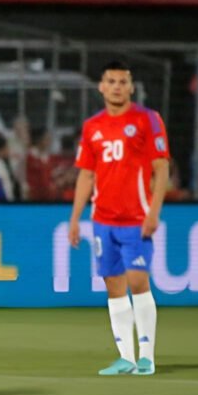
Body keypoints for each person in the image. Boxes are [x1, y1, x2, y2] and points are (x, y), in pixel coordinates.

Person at [69, 61, 169, 376]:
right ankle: (125, 356)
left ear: (131, 87)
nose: (116, 86)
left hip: (136, 218)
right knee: (113, 286)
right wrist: (75, 218)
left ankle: (147, 358)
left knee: (139, 282)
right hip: (103, 219)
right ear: (101, 86)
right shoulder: (92, 126)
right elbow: (86, 174)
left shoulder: (147, 120)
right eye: (110, 81)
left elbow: (161, 167)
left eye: (122, 81)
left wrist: (154, 211)